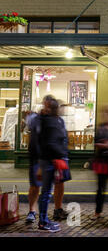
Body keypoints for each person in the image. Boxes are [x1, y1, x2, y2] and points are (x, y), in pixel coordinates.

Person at [25, 96, 70, 225]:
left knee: (58, 183)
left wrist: (64, 154)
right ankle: (33, 212)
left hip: (56, 158)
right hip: (39, 157)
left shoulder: (59, 120)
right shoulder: (38, 119)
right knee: (36, 185)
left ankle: (57, 209)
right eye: (45, 106)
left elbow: (62, 137)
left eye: (48, 106)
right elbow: (36, 137)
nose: (46, 109)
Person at [37, 97, 70, 232]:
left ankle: (45, 219)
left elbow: (61, 139)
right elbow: (49, 143)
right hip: (51, 160)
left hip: (54, 160)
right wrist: (60, 155)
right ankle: (43, 222)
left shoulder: (56, 121)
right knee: (46, 192)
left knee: (48, 191)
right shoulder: (47, 121)